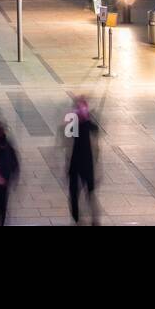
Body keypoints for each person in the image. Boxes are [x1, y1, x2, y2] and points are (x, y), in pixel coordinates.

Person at [66, 95, 100, 225]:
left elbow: (68, 140)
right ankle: (85, 219)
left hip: (80, 163)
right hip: (84, 163)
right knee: (86, 194)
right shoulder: (87, 125)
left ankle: (81, 219)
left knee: (81, 194)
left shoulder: (80, 124)